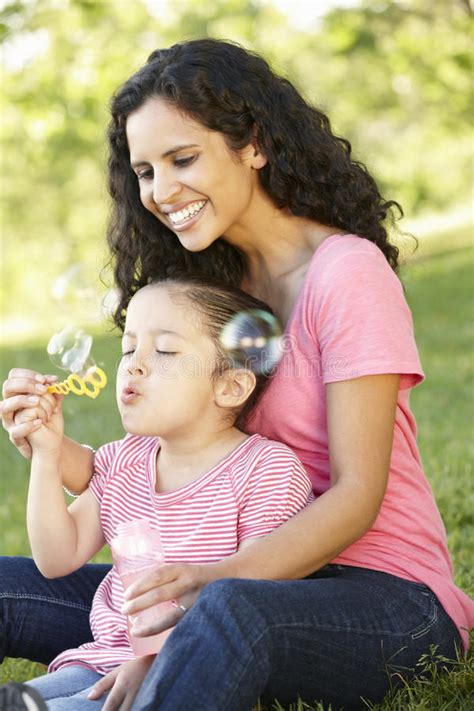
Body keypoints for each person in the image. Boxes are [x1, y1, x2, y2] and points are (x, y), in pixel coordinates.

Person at [1, 38, 472, 711]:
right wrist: (50, 448)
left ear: (253, 143)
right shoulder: (210, 287)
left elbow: (357, 494)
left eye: (181, 159)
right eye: (144, 171)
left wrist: (197, 600)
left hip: (381, 595)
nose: (161, 191)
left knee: (229, 611)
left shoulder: (346, 274)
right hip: (222, 566)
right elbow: (143, 467)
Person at [13, 276, 314, 710]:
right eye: (128, 349)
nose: (133, 364)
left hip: (193, 667)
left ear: (230, 386)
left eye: (166, 350)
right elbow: (57, 557)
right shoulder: (126, 461)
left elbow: (253, 597)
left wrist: (160, 657)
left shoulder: (265, 471)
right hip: (99, 664)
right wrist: (46, 452)